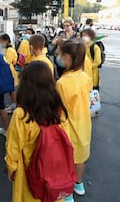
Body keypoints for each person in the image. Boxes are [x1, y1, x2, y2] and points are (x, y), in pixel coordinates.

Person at [5, 61, 69, 202]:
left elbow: (13, 146)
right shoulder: (58, 109)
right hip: (53, 167)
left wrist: (11, 167)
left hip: (29, 170)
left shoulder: (22, 114)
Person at [56, 40, 92, 202]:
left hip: (68, 127)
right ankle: (78, 184)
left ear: (68, 57)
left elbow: (59, 109)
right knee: (80, 158)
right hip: (84, 125)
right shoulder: (84, 76)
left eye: (61, 55)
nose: (59, 57)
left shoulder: (63, 82)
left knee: (66, 162)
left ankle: (67, 192)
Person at [0, 34, 18, 113]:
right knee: (10, 90)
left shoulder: (9, 50)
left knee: (10, 90)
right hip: (9, 71)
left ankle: (13, 106)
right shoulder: (10, 48)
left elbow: (7, 61)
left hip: (8, 72)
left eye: (1, 41)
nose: (0, 43)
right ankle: (13, 105)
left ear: (6, 41)